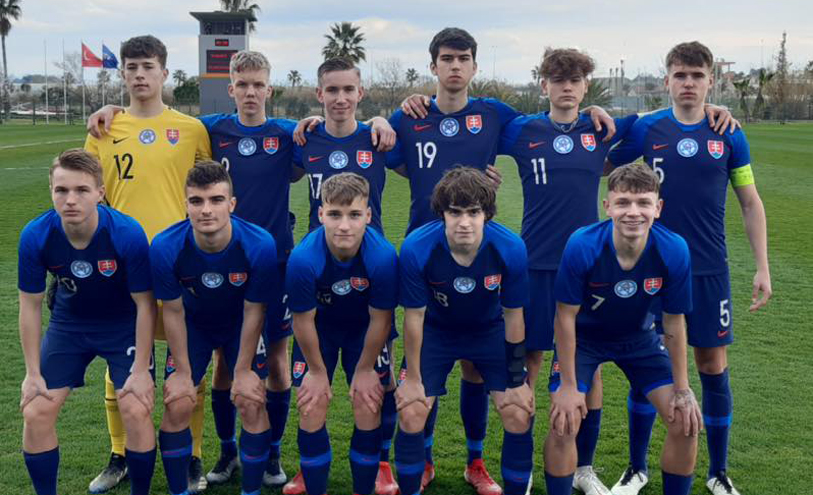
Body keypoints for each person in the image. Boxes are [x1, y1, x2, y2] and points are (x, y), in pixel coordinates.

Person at [497, 47, 738, 495]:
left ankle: (583, 469)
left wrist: (713, 109)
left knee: (589, 368)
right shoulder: (520, 128)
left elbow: (659, 119)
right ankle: (523, 466)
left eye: (575, 80)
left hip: (594, 266)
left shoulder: (601, 128)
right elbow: (470, 136)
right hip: (536, 266)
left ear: (586, 85)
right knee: (530, 364)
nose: (566, 87)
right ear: (543, 84)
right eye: (557, 79)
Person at [388, 29, 616, 494]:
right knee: (425, 361)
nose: (455, 66)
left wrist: (591, 111)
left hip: (482, 251)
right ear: (433, 66)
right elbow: (383, 149)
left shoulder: (496, 115)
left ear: (475, 67)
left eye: (463, 59)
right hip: (427, 251)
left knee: (478, 368)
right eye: (447, 59)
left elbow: (552, 123)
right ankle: (424, 461)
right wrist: (379, 114)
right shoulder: (410, 115)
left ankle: (476, 462)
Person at [608, 41, 771, 495]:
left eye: (697, 76)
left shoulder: (729, 134)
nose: (688, 83)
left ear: (710, 81)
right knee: (650, 362)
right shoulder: (648, 129)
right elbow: (599, 164)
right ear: (667, 80)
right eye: (680, 75)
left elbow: (750, 202)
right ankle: (636, 468)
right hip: (652, 270)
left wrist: (762, 266)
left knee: (712, 363)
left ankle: (719, 472)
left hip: (708, 270)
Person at [83, 34, 212, 494]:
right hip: (123, 265)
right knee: (122, 364)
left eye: (148, 66)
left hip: (181, 264)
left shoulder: (191, 129)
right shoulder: (102, 129)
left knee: (187, 362)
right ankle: (120, 454)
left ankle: (193, 456)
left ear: (164, 72)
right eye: (132, 67)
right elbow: (90, 195)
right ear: (122, 74)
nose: (140, 75)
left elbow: (209, 188)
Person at [544, 163, 702, 495]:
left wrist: (683, 388)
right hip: (585, 341)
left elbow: (673, 322)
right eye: (623, 202)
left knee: (684, 422)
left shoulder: (674, 248)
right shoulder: (583, 245)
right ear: (608, 206)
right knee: (563, 422)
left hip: (639, 339)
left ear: (658, 208)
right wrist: (569, 386)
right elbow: (564, 317)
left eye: (643, 203)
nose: (633, 212)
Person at [285, 58, 401, 495]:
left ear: (360, 93)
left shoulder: (378, 136)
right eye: (331, 90)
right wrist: (316, 371)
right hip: (322, 270)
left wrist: (384, 119)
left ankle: (380, 464)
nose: (340, 98)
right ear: (318, 94)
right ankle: (309, 468)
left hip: (368, 275)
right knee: (310, 397)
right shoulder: (305, 137)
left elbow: (432, 152)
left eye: (348, 89)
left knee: (376, 391)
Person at [18, 149, 157, 495]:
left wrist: (141, 369)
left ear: (100, 192)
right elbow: (30, 307)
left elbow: (145, 305)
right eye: (61, 190)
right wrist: (32, 373)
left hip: (123, 324)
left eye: (81, 190)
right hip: (69, 325)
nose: (70, 200)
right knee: (35, 411)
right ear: (51, 190)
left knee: (135, 407)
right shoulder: (36, 235)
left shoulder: (126, 233)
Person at [395, 167, 535, 495]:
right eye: (455, 212)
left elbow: (514, 316)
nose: (464, 222)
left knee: (517, 412)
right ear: (441, 213)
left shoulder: (510, 246)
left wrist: (517, 380)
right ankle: (423, 466)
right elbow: (413, 317)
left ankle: (475, 464)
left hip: (488, 331)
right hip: (436, 331)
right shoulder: (417, 246)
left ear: (487, 213)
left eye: (473, 212)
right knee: (412, 411)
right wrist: (413, 379)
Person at [150, 162, 278, 495]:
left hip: (240, 324)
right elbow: (173, 311)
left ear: (231, 204)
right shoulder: (165, 246)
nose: (206, 210)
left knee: (250, 399)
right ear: (186, 204)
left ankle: (250, 490)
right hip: (194, 325)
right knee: (178, 401)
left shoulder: (259, 244)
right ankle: (180, 489)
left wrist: (243, 370)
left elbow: (254, 310)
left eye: (216, 200)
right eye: (197, 201)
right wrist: (182, 372)